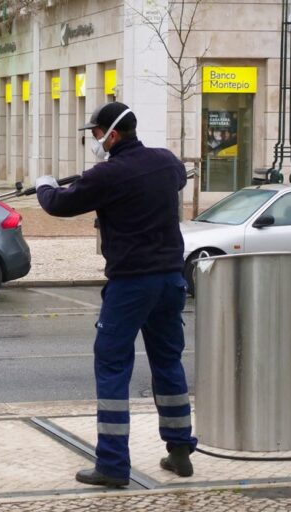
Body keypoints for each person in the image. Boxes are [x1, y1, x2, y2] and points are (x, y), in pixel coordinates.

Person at [35, 101, 196, 488]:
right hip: (170, 281)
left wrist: (44, 185)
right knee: (168, 362)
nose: (93, 139)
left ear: (113, 133)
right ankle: (179, 451)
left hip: (131, 284)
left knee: (111, 366)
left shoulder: (108, 175)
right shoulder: (166, 161)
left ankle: (112, 465)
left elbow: (59, 204)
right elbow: (175, 179)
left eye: (95, 132)